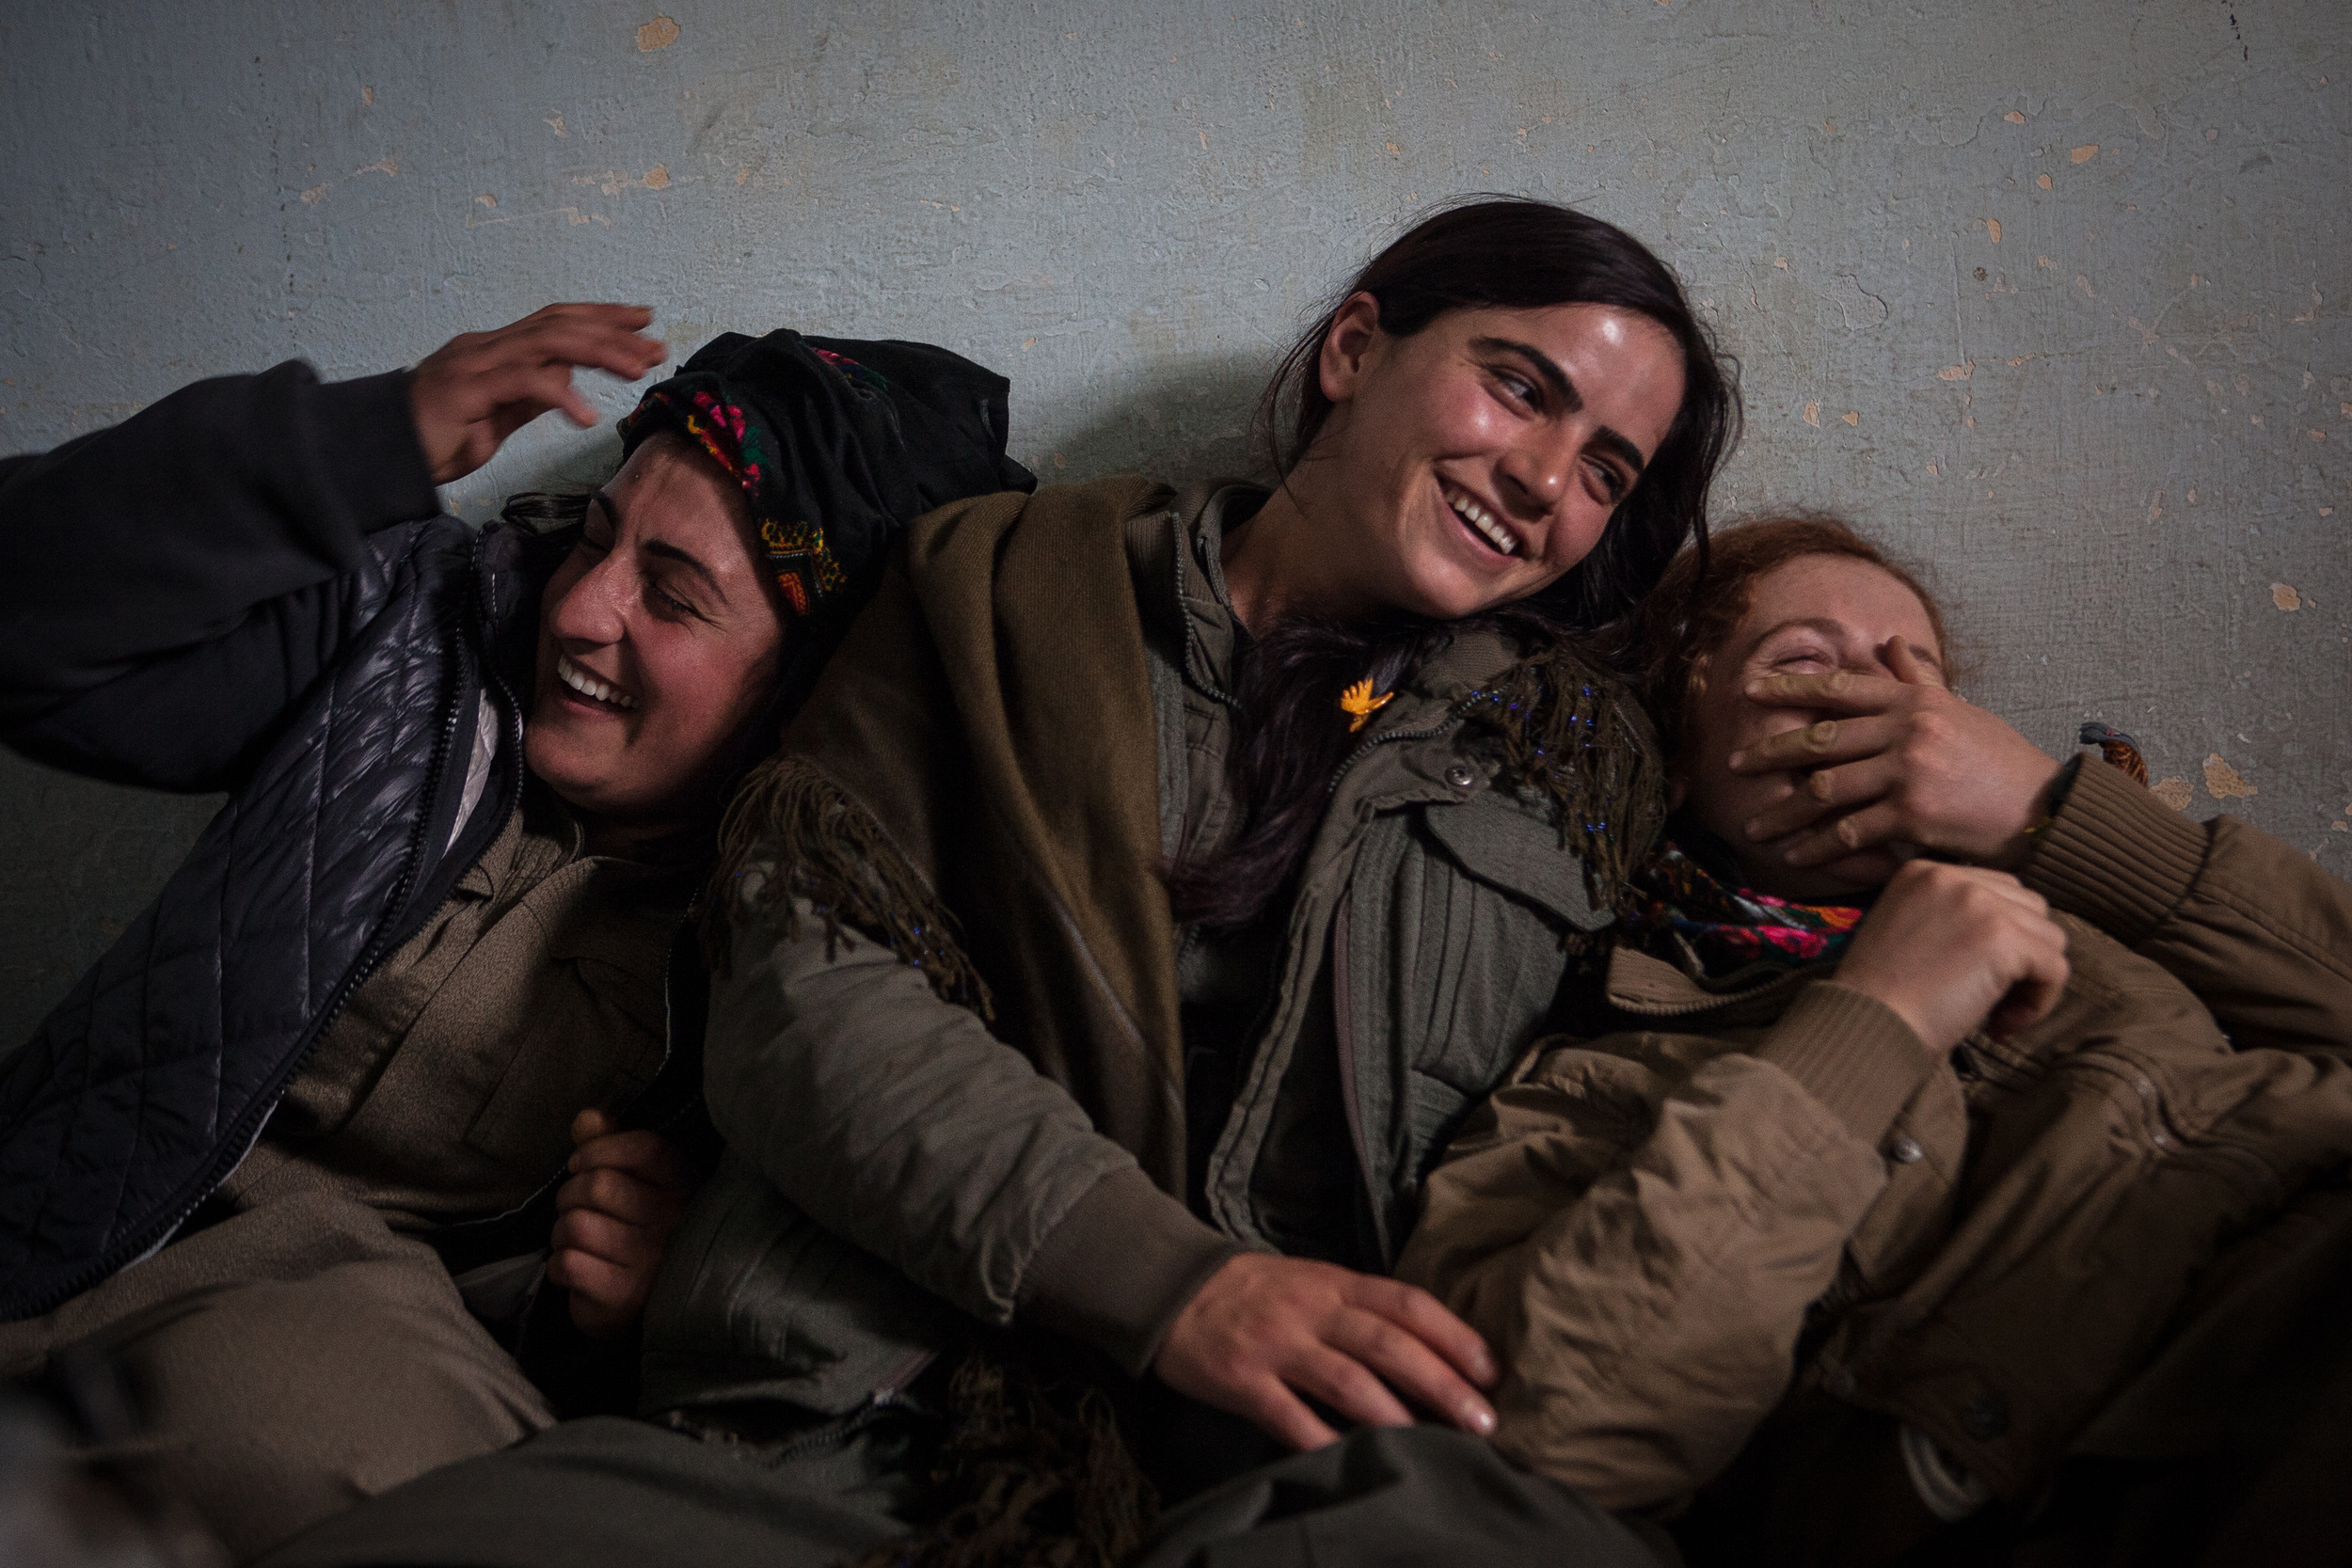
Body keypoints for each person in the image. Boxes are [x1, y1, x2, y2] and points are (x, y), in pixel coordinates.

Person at [259, 197, 1741, 1568]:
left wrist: (1983, 819)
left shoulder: (1575, 764)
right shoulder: (996, 585)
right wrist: (1176, 1287)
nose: (1548, 477)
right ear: (1356, 349)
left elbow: (1691, 1059)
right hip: (856, 1403)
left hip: (1289, 1481)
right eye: (1523, 386)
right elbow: (804, 993)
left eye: (1608, 468)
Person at [0, 305, 1032, 1560]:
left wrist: (656, 1284)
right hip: (55, 1259)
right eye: (600, 534)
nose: (583, 609)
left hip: (357, 1383)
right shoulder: (411, 642)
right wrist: (354, 444)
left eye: (672, 594)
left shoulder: (812, 946)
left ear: (811, 682)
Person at [1394, 515, 2352, 1565]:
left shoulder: (2110, 916)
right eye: (1804, 662)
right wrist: (1874, 1019)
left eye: (1919, 678)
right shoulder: (1602, 1072)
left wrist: (2046, 810)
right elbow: (1552, 1431)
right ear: (1670, 746)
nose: (1887, 707)